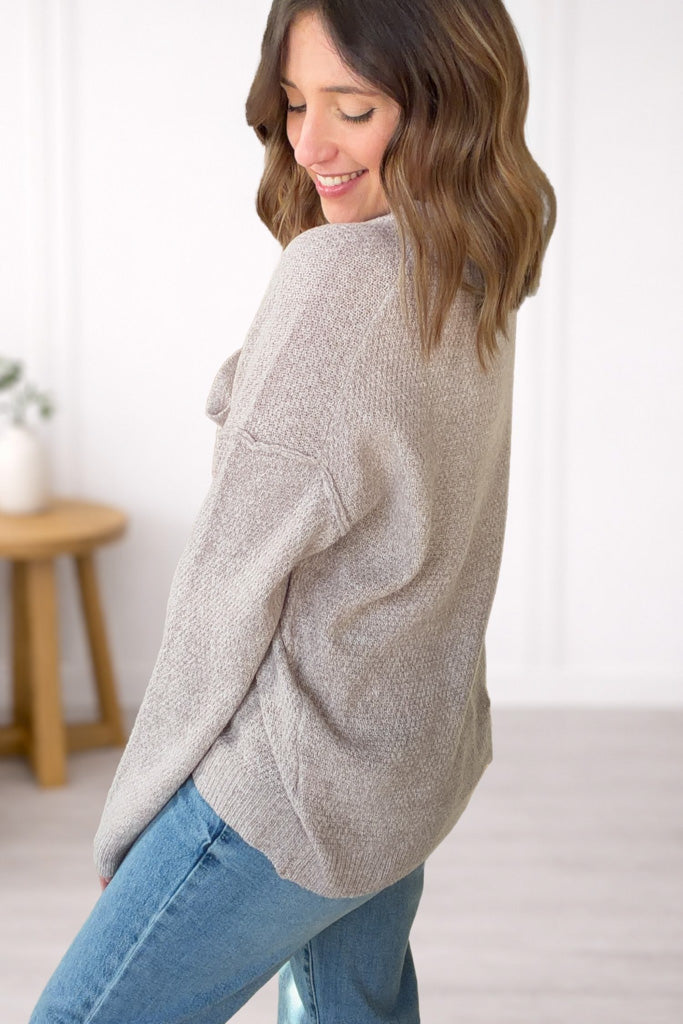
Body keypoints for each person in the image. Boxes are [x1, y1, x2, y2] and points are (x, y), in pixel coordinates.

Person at [30, 1, 556, 1021]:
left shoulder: (336, 281)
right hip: (401, 765)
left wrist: (130, 815)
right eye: (293, 102)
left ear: (446, 105)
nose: (309, 144)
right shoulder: (474, 257)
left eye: (351, 109)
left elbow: (224, 586)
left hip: (289, 786)